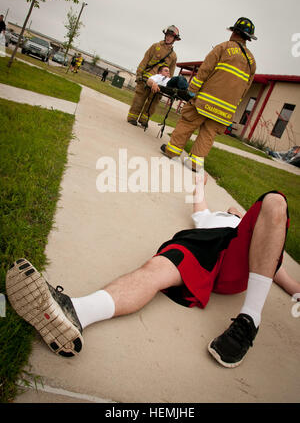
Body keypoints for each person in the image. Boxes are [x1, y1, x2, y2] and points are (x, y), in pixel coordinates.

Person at [6, 173, 299, 367]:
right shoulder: (211, 217)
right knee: (153, 271)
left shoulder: (262, 240)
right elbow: (198, 202)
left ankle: (249, 322)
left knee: (275, 201)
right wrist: (200, 183)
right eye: (234, 210)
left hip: (238, 261)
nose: (236, 210)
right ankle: (76, 312)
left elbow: (284, 277)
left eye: (241, 211)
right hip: (202, 245)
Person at [161, 18, 257, 172]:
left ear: (234, 32)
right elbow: (245, 88)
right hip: (225, 110)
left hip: (204, 102)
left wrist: (192, 91)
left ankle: (172, 151)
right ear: (248, 38)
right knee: (208, 134)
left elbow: (204, 70)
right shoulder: (252, 62)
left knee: (187, 123)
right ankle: (194, 164)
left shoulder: (223, 47)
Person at [127, 26, 180, 128]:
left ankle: (144, 120)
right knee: (139, 98)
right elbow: (145, 60)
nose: (168, 38)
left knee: (153, 102)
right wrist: (139, 74)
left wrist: (168, 86)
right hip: (146, 78)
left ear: (175, 39)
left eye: (171, 36)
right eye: (167, 35)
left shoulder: (173, 56)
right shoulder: (155, 46)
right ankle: (132, 118)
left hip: (159, 83)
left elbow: (171, 73)